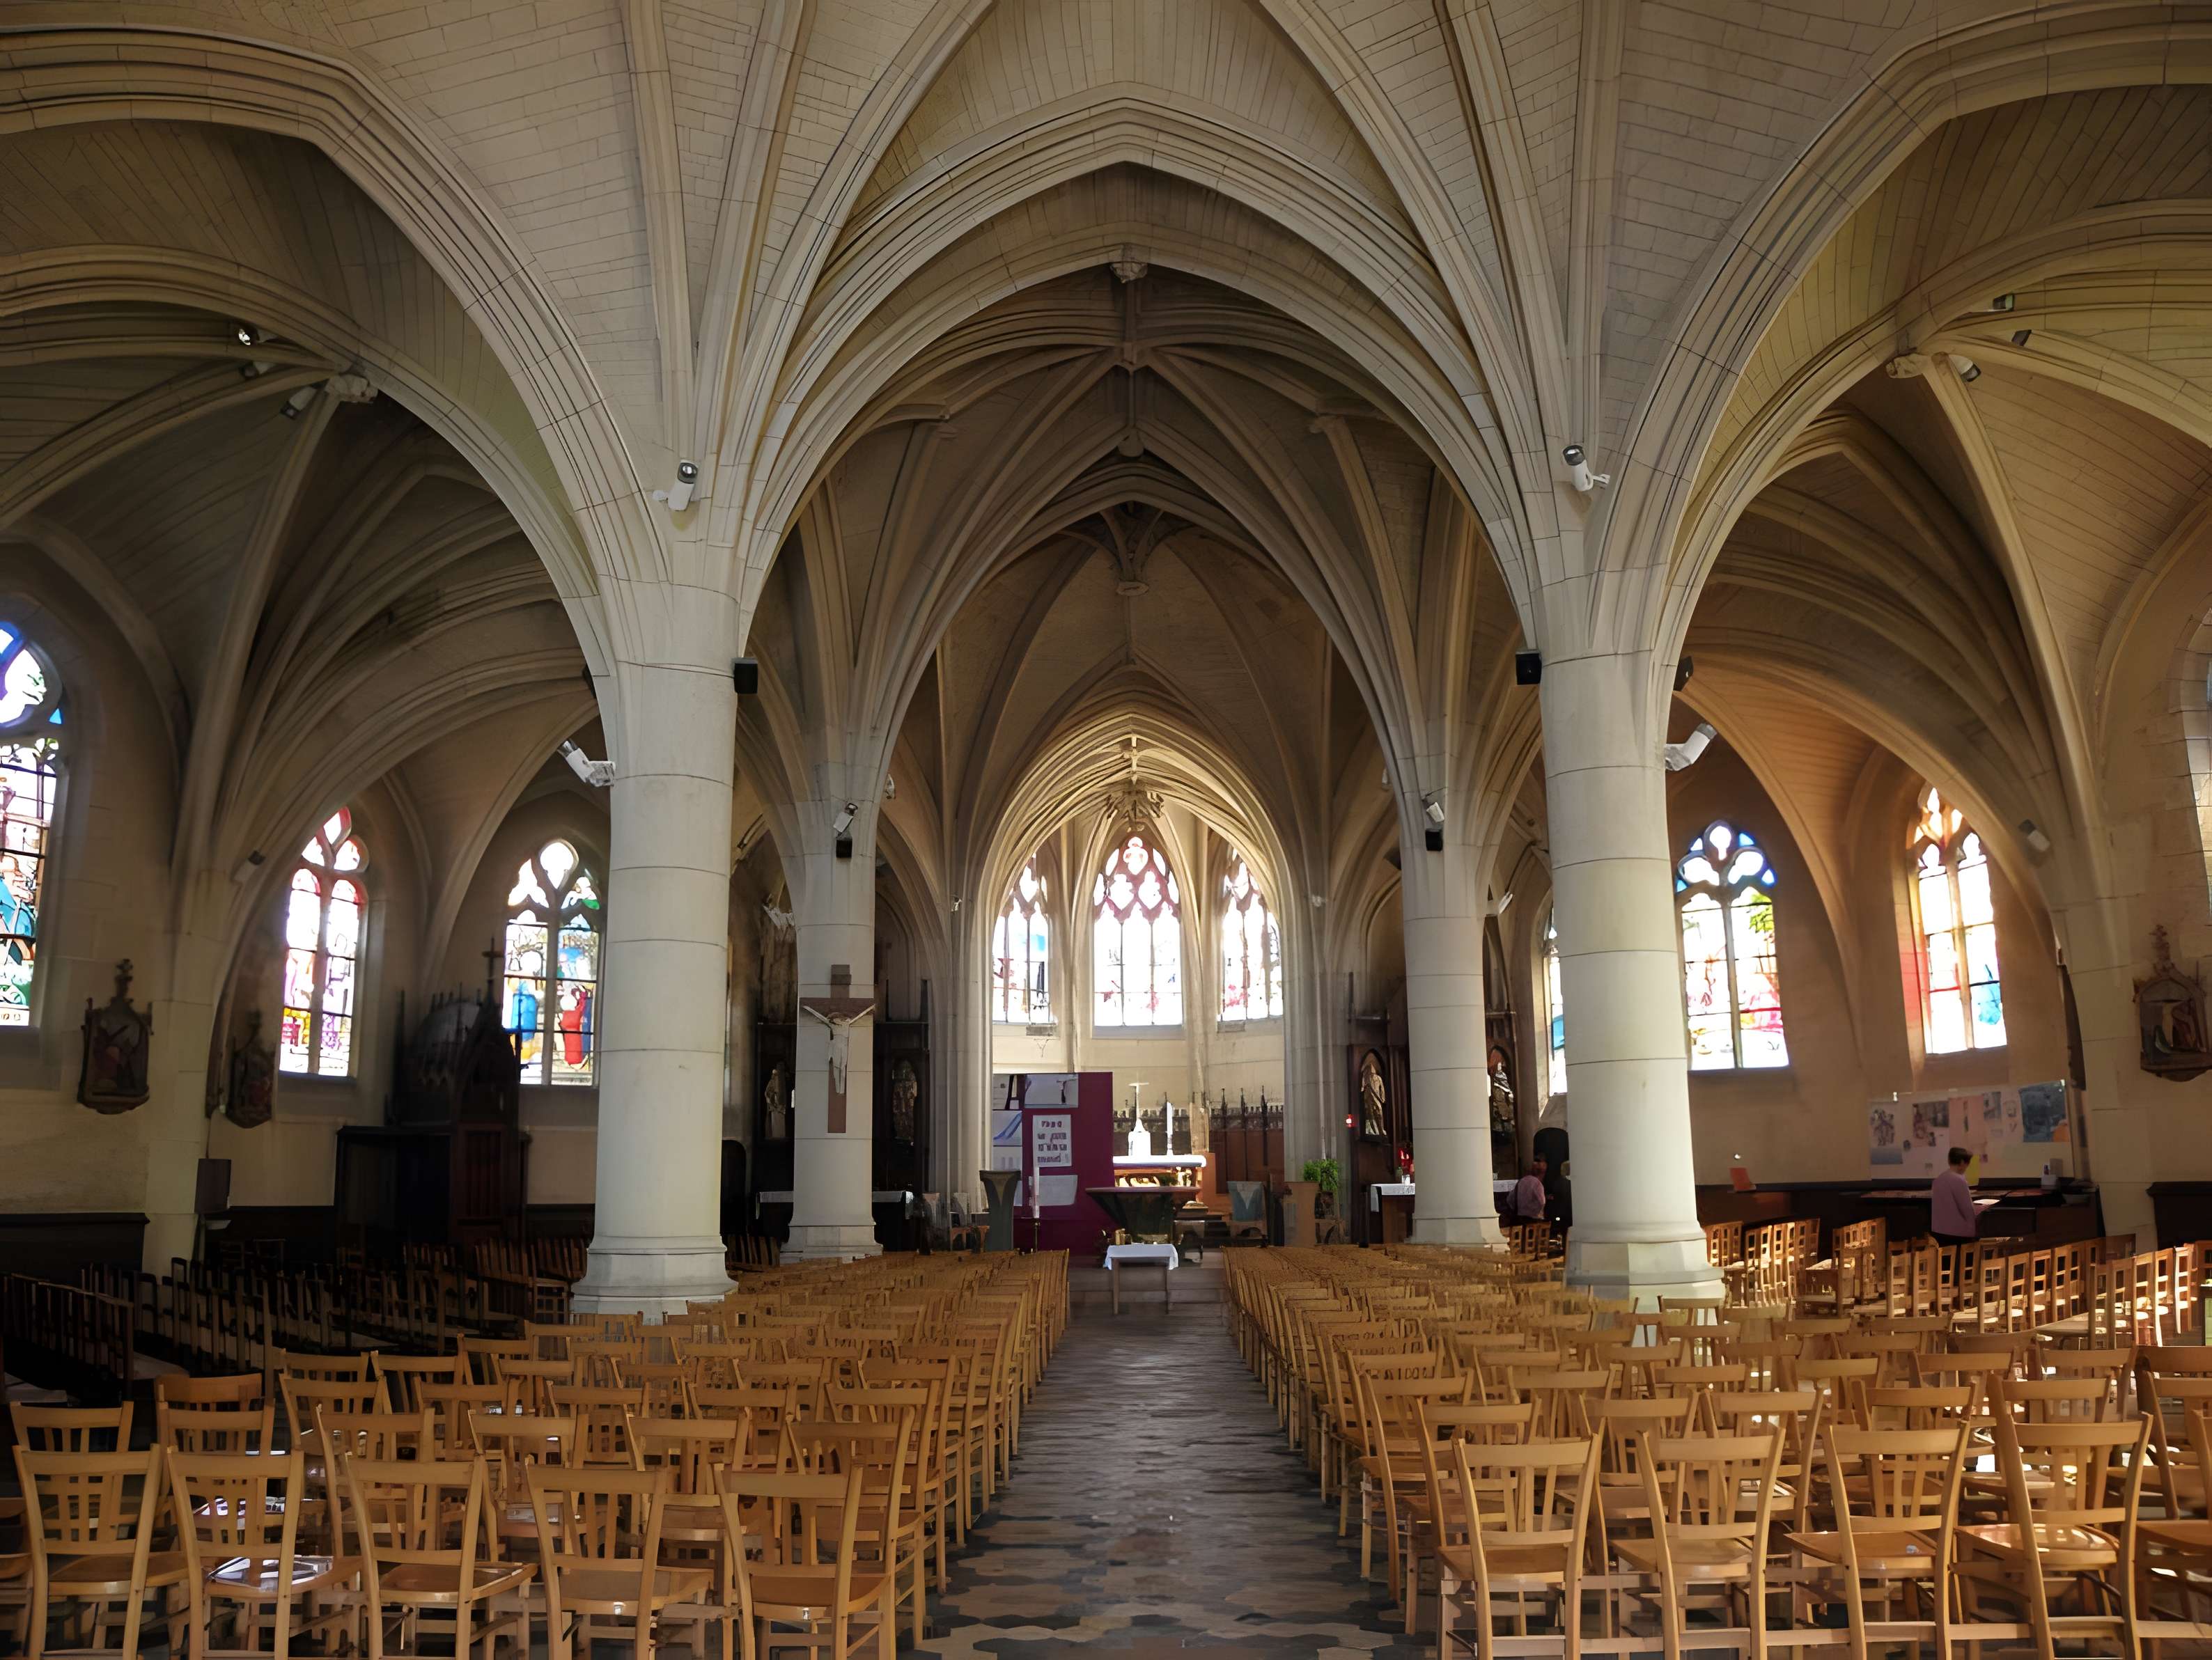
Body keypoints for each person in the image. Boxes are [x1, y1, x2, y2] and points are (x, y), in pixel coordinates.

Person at [1931, 1145, 1977, 1246]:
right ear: (1962, 1162)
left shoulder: (1938, 1180)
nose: (1966, 1168)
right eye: (1967, 1164)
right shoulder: (1959, 1180)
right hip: (1958, 1234)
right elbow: (1967, 1210)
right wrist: (1979, 1210)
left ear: (1949, 1160)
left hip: (1939, 1233)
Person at [1510, 1156, 1549, 1226]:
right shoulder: (1538, 1184)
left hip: (1520, 1219)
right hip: (1534, 1221)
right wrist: (1534, 1213)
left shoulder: (1521, 1182)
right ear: (1541, 1173)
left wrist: (1520, 1210)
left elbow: (1510, 1199)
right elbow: (1542, 1202)